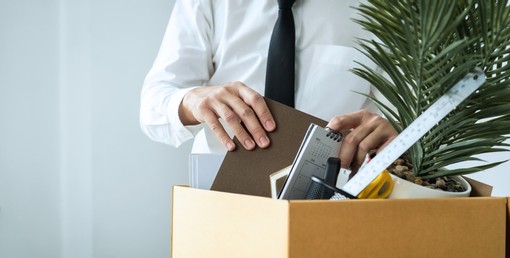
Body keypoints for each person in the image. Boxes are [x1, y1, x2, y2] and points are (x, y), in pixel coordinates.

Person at [140, 0, 397, 172]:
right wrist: (192, 102)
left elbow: (410, 117)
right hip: (221, 204)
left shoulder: (385, 8)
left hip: (336, 203)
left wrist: (398, 133)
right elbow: (153, 107)